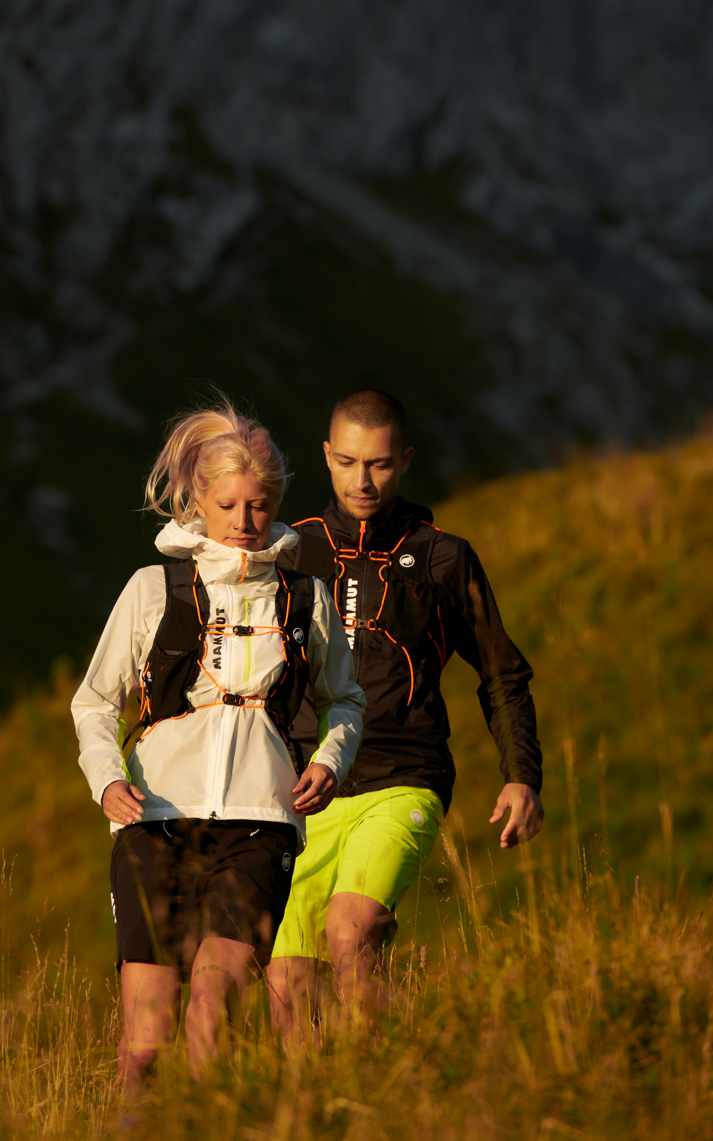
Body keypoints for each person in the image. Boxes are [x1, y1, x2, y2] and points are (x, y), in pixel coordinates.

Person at [72, 399, 365, 1091]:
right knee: (144, 1042)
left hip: (259, 827)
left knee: (213, 1011)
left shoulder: (305, 598)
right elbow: (93, 702)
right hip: (151, 822)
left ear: (276, 503)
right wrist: (105, 781)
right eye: (228, 504)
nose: (243, 520)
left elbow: (345, 699)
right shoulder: (152, 589)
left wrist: (328, 761)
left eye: (259, 504)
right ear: (197, 501)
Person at [268, 388, 544, 1032]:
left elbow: (503, 673)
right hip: (304, 792)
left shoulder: (447, 558)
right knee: (286, 987)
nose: (363, 480)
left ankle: (421, 1065)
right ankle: (326, 1120)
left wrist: (522, 774)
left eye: (381, 464)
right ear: (327, 457)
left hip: (404, 776)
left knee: (350, 931)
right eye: (348, 462)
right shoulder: (291, 552)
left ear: (407, 461)